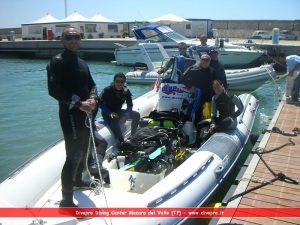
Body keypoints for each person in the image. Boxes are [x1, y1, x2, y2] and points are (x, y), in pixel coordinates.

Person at [47, 27, 98, 208]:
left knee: (84, 151)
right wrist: (79, 104)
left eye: (77, 37)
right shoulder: (57, 61)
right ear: (62, 40)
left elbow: (92, 85)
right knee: (74, 156)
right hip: (70, 115)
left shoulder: (82, 63)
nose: (74, 40)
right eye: (69, 37)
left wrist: (93, 99)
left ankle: (77, 180)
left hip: (85, 116)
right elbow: (54, 90)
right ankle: (66, 201)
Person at [99, 72, 140, 143]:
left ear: (124, 82)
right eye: (117, 81)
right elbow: (100, 104)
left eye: (122, 81)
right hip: (108, 113)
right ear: (114, 81)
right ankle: (121, 140)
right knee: (115, 118)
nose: (119, 83)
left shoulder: (126, 92)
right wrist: (110, 113)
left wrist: (126, 116)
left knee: (136, 115)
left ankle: (133, 136)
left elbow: (130, 105)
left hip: (118, 111)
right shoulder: (107, 90)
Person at [181, 54, 217, 128]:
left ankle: (205, 130)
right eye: (203, 59)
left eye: (207, 60)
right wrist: (189, 87)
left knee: (206, 115)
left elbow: (216, 83)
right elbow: (183, 78)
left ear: (209, 61)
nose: (204, 61)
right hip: (196, 96)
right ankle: (195, 130)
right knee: (197, 114)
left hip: (207, 96)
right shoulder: (192, 68)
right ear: (200, 60)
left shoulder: (212, 71)